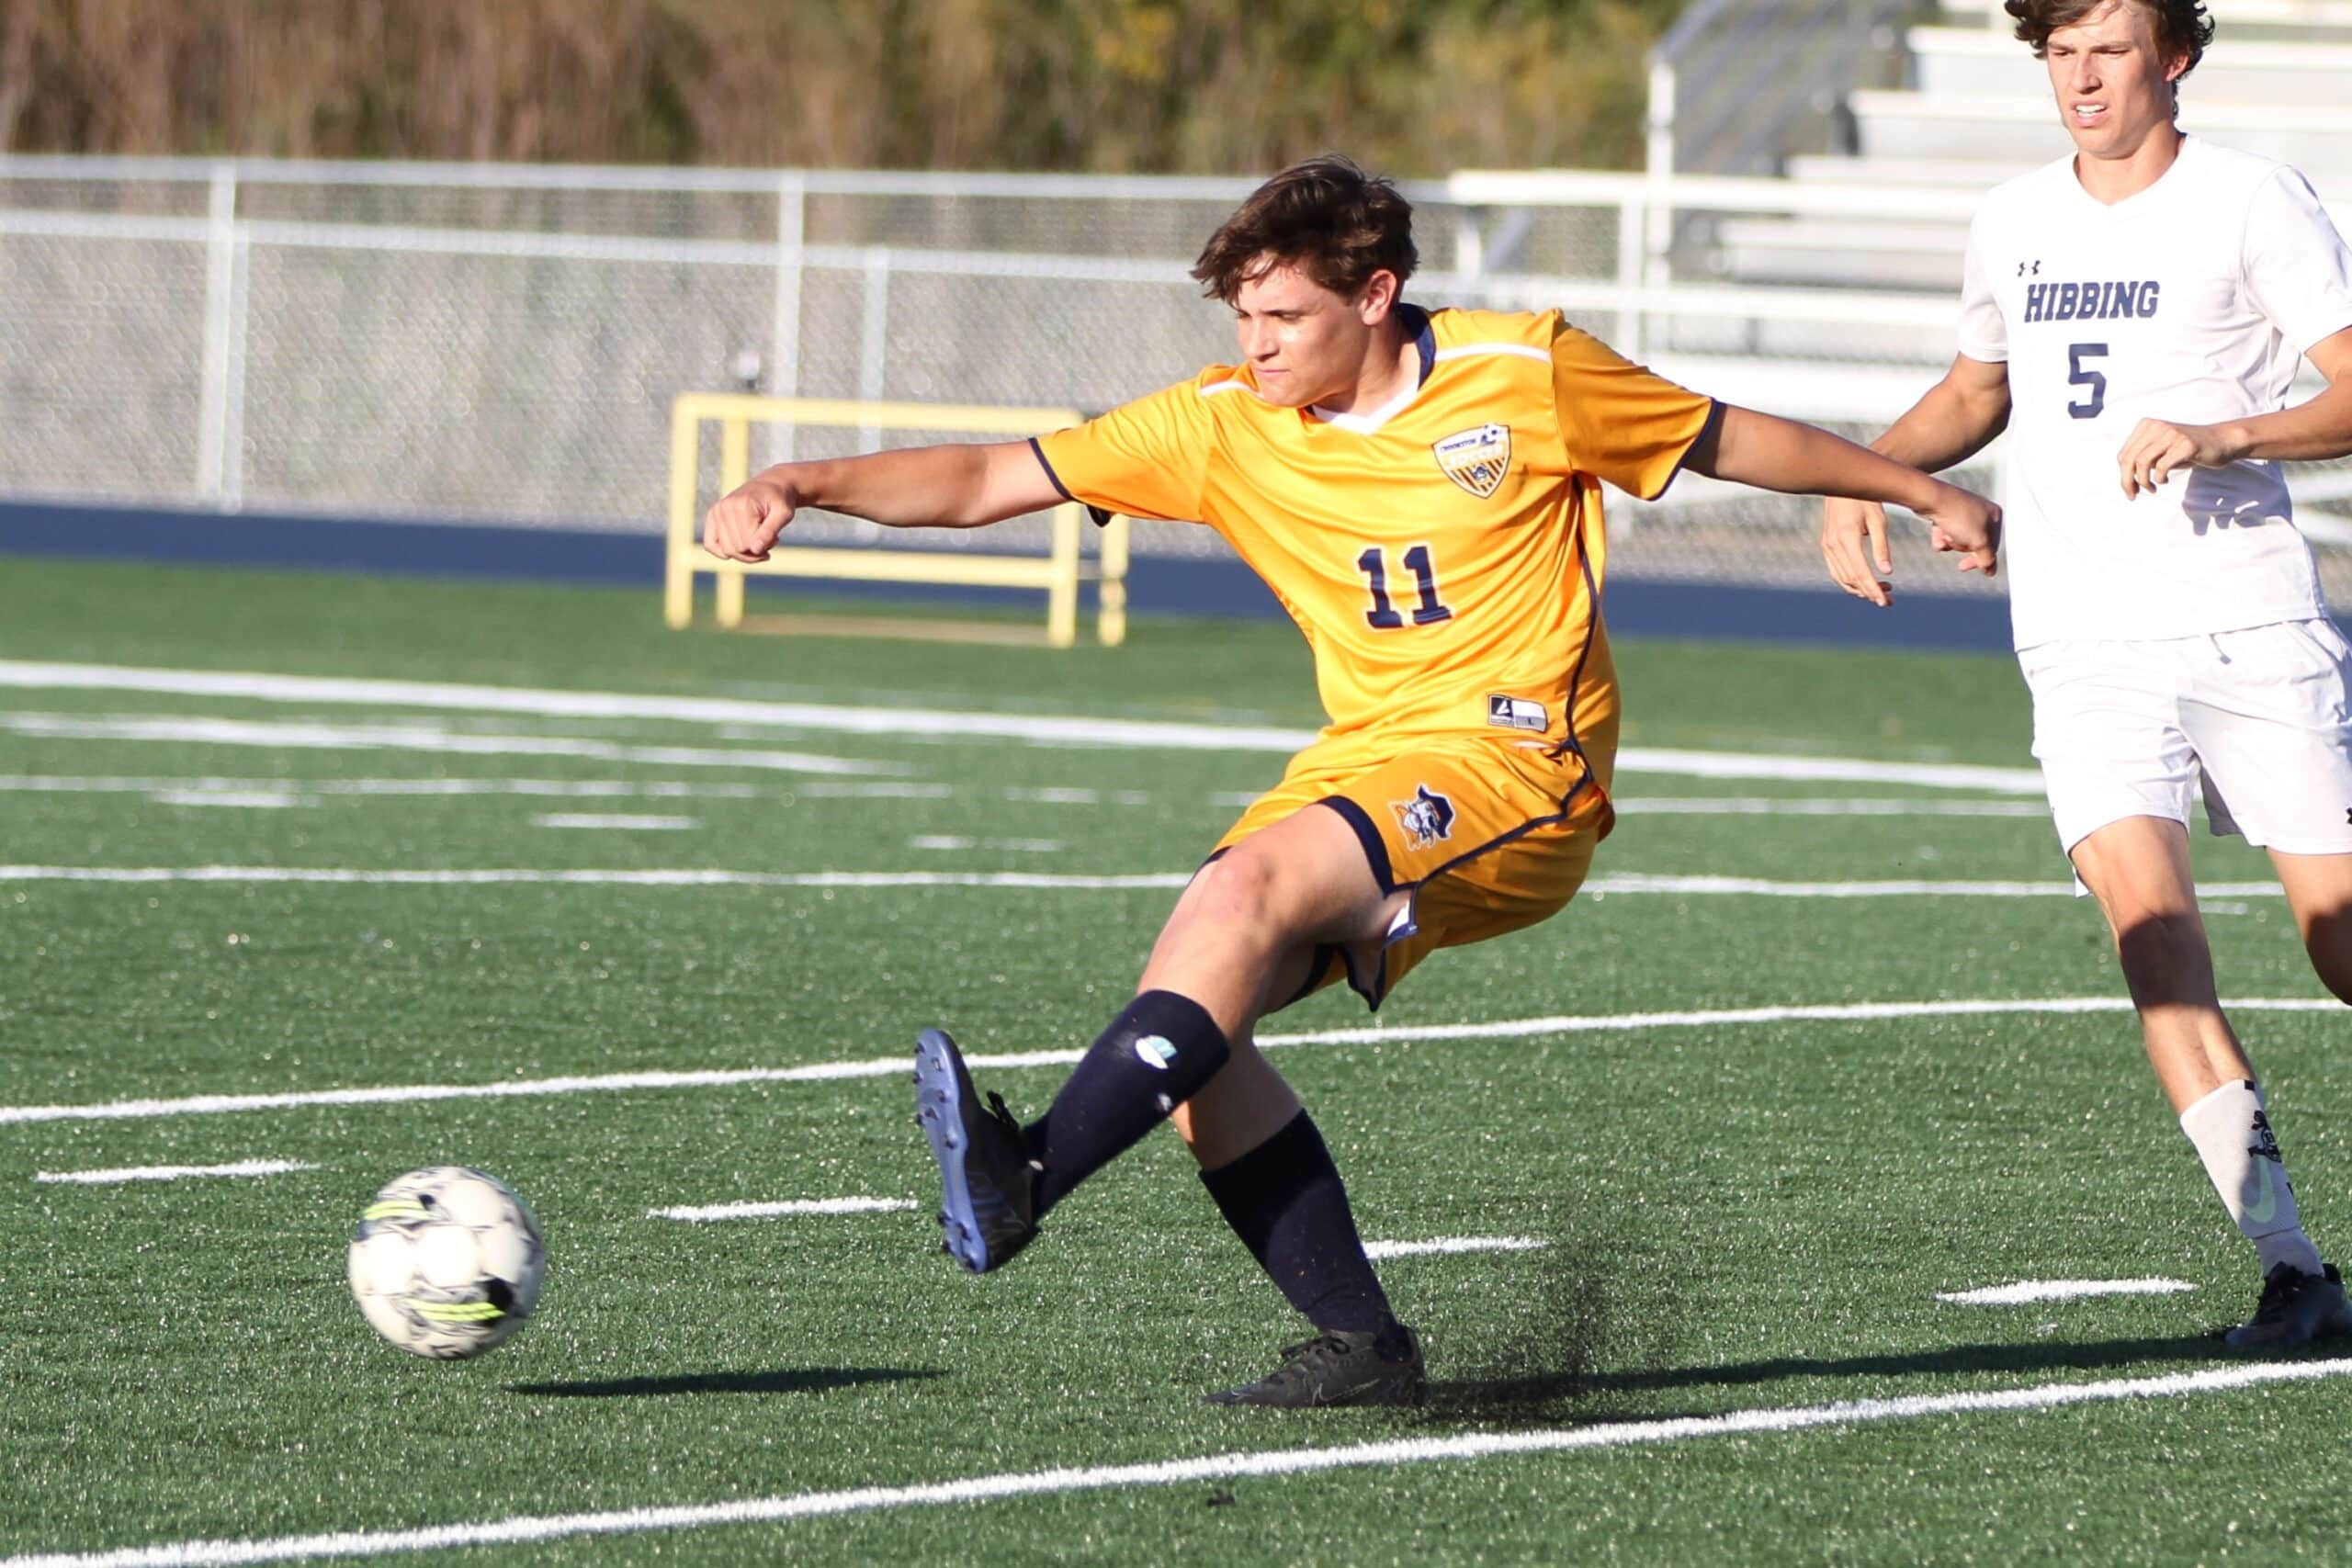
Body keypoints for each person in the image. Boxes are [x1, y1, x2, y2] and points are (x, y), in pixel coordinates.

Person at [708, 155, 2000, 1405]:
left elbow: (1723, 440)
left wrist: (1915, 489)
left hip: (1517, 765)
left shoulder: (1525, 373)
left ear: (1375, 295)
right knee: (1193, 1023)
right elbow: (998, 476)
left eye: (1283, 315)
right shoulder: (1227, 424)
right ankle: (1361, 1341)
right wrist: (799, 481)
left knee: (1246, 894)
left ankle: (1030, 1174)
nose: (1256, 345)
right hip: (1363, 767)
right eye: (1243, 317)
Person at [1822, 0, 2352, 1347]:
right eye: (2060, 52)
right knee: (2153, 948)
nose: (2081, 77)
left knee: (2341, 943)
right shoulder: (2011, 217)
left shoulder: (2250, 198)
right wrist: (1868, 478)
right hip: (2080, 642)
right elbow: (1976, 390)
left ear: (2174, 57)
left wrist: (2224, 432)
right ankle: (2295, 1273)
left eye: (2108, 48)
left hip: (2246, 624)